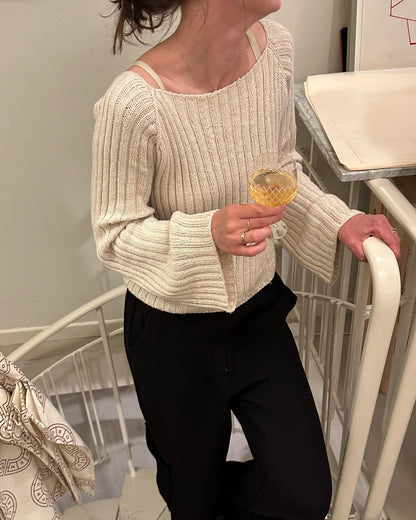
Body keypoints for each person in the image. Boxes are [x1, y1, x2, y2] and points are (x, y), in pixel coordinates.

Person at [91, 1, 401, 519]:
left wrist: (338, 219)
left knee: (303, 495)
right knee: (191, 499)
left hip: (257, 315)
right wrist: (206, 233)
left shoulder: (275, 50)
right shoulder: (133, 106)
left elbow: (281, 173)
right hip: (172, 334)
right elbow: (115, 236)